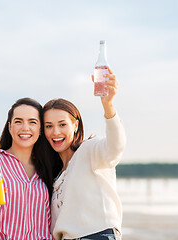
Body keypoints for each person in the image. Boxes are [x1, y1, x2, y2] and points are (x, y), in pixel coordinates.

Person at [42, 69, 126, 240]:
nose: (55, 132)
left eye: (62, 124)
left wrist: (108, 106)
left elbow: (115, 148)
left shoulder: (89, 151)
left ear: (75, 125)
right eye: (49, 126)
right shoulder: (57, 175)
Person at [0, 98, 54, 240]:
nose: (25, 128)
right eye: (18, 121)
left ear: (40, 129)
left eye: (32, 122)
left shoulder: (46, 168)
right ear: (10, 127)